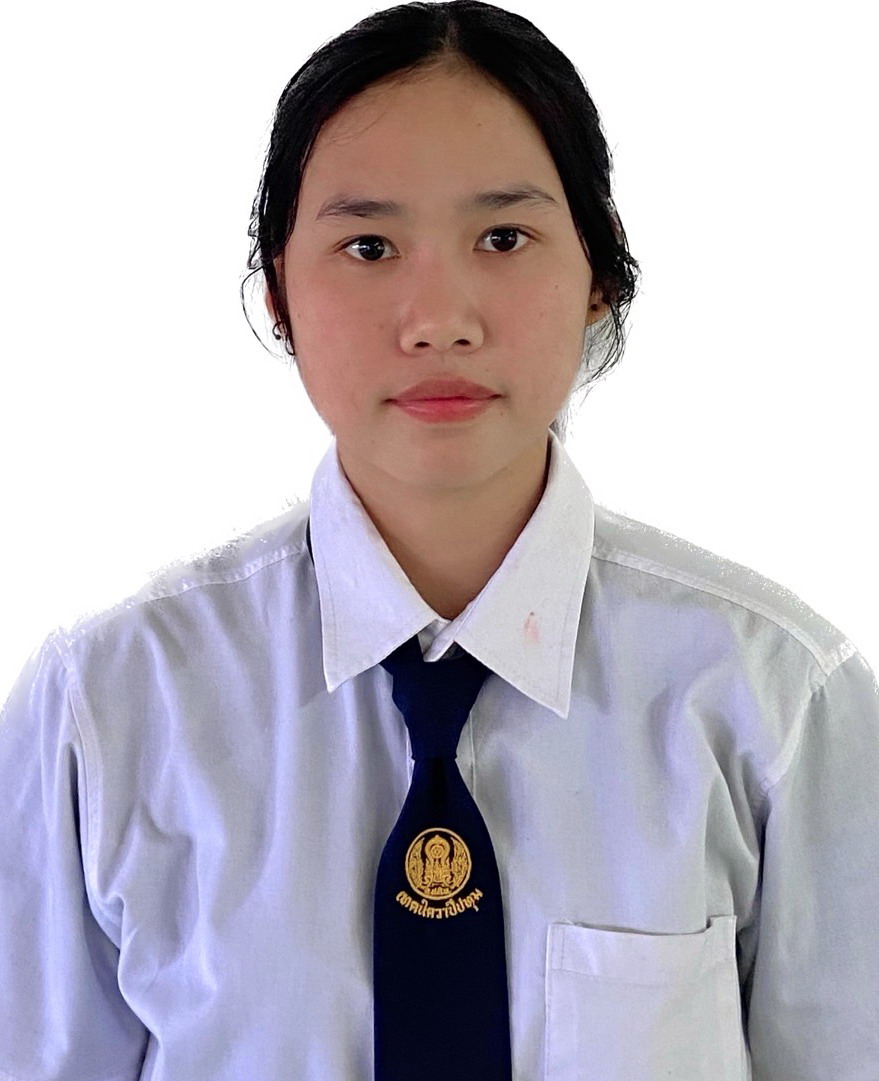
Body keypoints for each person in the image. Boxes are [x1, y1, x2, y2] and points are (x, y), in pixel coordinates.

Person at [1, 2, 876, 1078]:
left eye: (502, 238)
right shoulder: (106, 709)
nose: (439, 318)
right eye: (368, 246)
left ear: (599, 271)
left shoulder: (778, 700)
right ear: (277, 292)